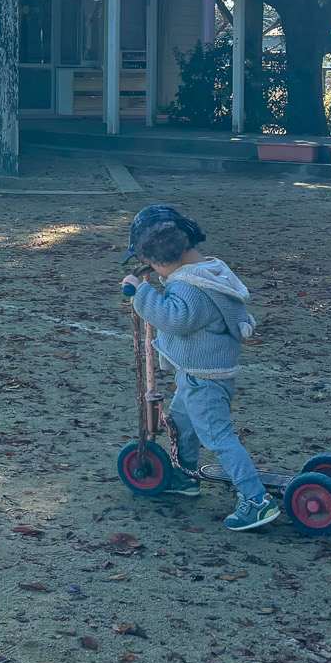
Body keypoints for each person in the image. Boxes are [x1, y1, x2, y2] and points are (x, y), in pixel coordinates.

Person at [121, 206, 280, 532]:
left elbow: (174, 318)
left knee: (218, 436)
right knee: (181, 421)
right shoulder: (210, 272)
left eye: (152, 265)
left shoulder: (190, 288)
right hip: (202, 373)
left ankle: (256, 500)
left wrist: (142, 293)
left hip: (204, 378)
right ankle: (185, 474)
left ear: (162, 258)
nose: (155, 272)